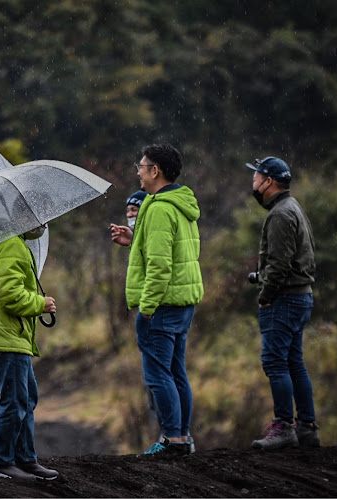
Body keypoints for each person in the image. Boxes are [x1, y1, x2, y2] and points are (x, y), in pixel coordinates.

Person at [111, 143, 204, 457]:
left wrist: (147, 307)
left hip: (161, 305)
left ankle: (173, 441)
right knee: (176, 371)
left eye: (141, 165)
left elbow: (161, 265)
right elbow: (168, 252)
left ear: (155, 170)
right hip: (182, 301)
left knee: (157, 374)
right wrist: (132, 239)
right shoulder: (178, 203)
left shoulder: (161, 208)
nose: (138, 171)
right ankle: (182, 438)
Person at [245, 156, 319, 450]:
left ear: (269, 181)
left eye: (256, 176)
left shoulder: (279, 214)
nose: (253, 182)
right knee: (294, 362)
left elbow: (279, 264)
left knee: (275, 363)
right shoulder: (293, 207)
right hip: (301, 296)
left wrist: (265, 297)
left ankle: (284, 427)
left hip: (285, 299)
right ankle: (307, 427)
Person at [0, 225, 59, 480]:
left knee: (26, 396)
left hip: (11, 334)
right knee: (15, 399)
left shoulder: (14, 242)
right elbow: (9, 294)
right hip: (5, 335)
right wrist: (40, 303)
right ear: (23, 218)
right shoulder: (10, 243)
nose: (44, 226)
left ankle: (24, 458)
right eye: (40, 219)